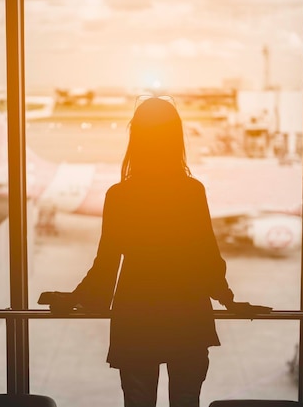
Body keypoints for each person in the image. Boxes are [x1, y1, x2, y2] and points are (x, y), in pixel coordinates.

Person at [52, 96, 253, 407]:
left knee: (138, 402)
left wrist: (76, 298)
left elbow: (105, 265)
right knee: (187, 401)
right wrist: (228, 299)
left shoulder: (119, 196)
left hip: (137, 316)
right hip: (187, 314)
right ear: (176, 138)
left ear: (136, 138)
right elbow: (207, 256)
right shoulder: (191, 192)